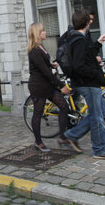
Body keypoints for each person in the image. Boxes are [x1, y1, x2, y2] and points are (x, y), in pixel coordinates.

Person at [63, 9, 105, 160]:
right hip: (87, 82)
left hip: (86, 81)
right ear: (87, 22)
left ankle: (71, 135)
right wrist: (95, 74)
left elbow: (88, 56)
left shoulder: (78, 37)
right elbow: (79, 65)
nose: (91, 22)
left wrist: (98, 43)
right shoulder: (79, 40)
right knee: (97, 117)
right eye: (90, 20)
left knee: (98, 111)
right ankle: (99, 150)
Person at [27, 23, 70, 152]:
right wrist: (61, 86)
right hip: (38, 86)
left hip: (48, 84)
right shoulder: (34, 50)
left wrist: (52, 65)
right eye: (43, 31)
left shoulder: (41, 46)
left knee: (64, 106)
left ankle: (62, 136)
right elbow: (43, 71)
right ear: (37, 33)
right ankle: (38, 142)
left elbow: (45, 66)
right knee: (38, 113)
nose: (45, 32)